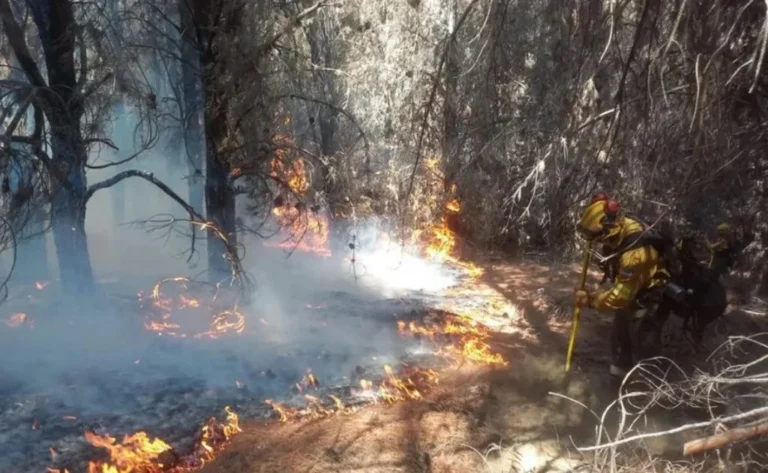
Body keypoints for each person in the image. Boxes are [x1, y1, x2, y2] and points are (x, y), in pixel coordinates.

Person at [573, 193, 672, 378]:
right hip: (630, 289)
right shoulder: (619, 228)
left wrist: (590, 300)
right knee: (620, 337)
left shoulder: (635, 254)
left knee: (645, 343)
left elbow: (619, 297)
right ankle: (619, 378)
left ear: (610, 230)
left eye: (597, 237)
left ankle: (650, 386)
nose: (595, 242)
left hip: (650, 295)